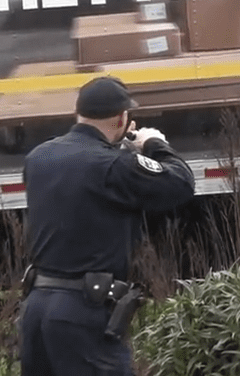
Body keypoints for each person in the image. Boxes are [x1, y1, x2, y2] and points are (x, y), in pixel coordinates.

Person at [19, 76, 195, 375]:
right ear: (122, 119)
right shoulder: (113, 166)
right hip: (84, 314)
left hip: (36, 310)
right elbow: (180, 183)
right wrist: (153, 143)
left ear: (79, 114)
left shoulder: (38, 158)